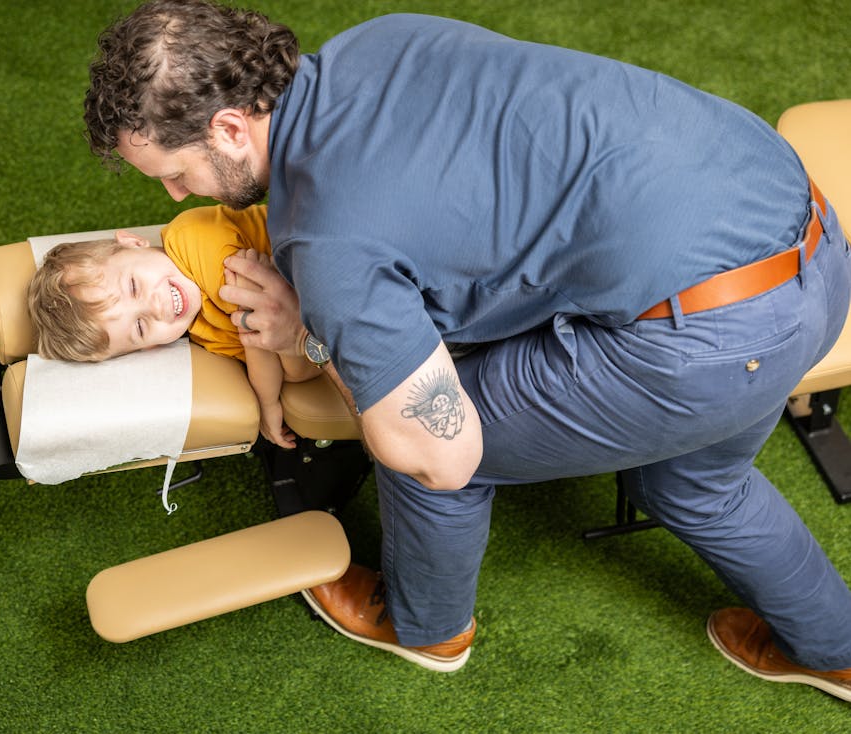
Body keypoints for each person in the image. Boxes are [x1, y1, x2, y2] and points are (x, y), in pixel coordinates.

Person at [82, 0, 851, 696]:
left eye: (175, 175)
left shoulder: (326, 240)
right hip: (810, 237)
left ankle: (427, 627)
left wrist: (311, 328)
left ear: (226, 128)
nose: (177, 198)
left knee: (419, 441)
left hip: (712, 341)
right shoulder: (383, 38)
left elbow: (438, 454)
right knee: (694, 485)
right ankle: (835, 648)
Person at [26, 203, 320, 449]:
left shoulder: (190, 238)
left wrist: (268, 402)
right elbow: (300, 367)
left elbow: (277, 351)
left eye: (133, 286)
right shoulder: (207, 334)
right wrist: (287, 351)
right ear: (148, 347)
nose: (156, 307)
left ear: (133, 242)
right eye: (140, 328)